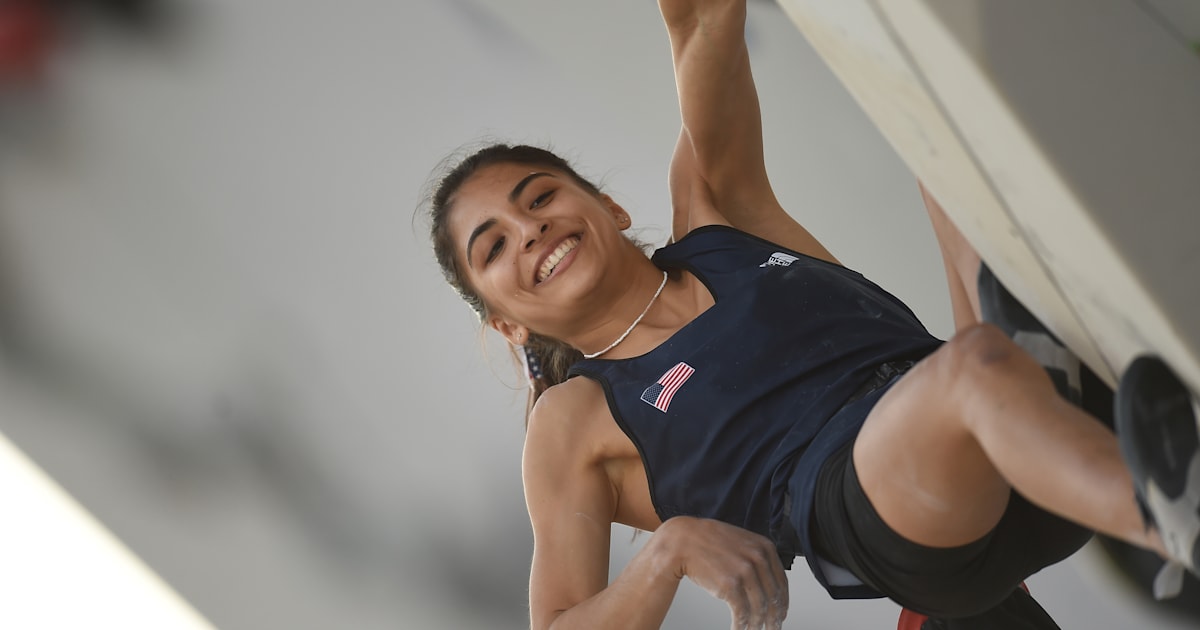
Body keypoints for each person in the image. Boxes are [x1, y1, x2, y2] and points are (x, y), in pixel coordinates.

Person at [424, 0, 1199, 628]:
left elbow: (699, 19)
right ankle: (1169, 518)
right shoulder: (575, 417)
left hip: (1005, 434)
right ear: (507, 324)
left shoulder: (720, 215)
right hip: (906, 519)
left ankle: (1064, 388)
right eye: (494, 247)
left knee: (944, 141)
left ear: (610, 206)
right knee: (977, 366)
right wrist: (667, 555)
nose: (531, 231)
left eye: (541, 196)